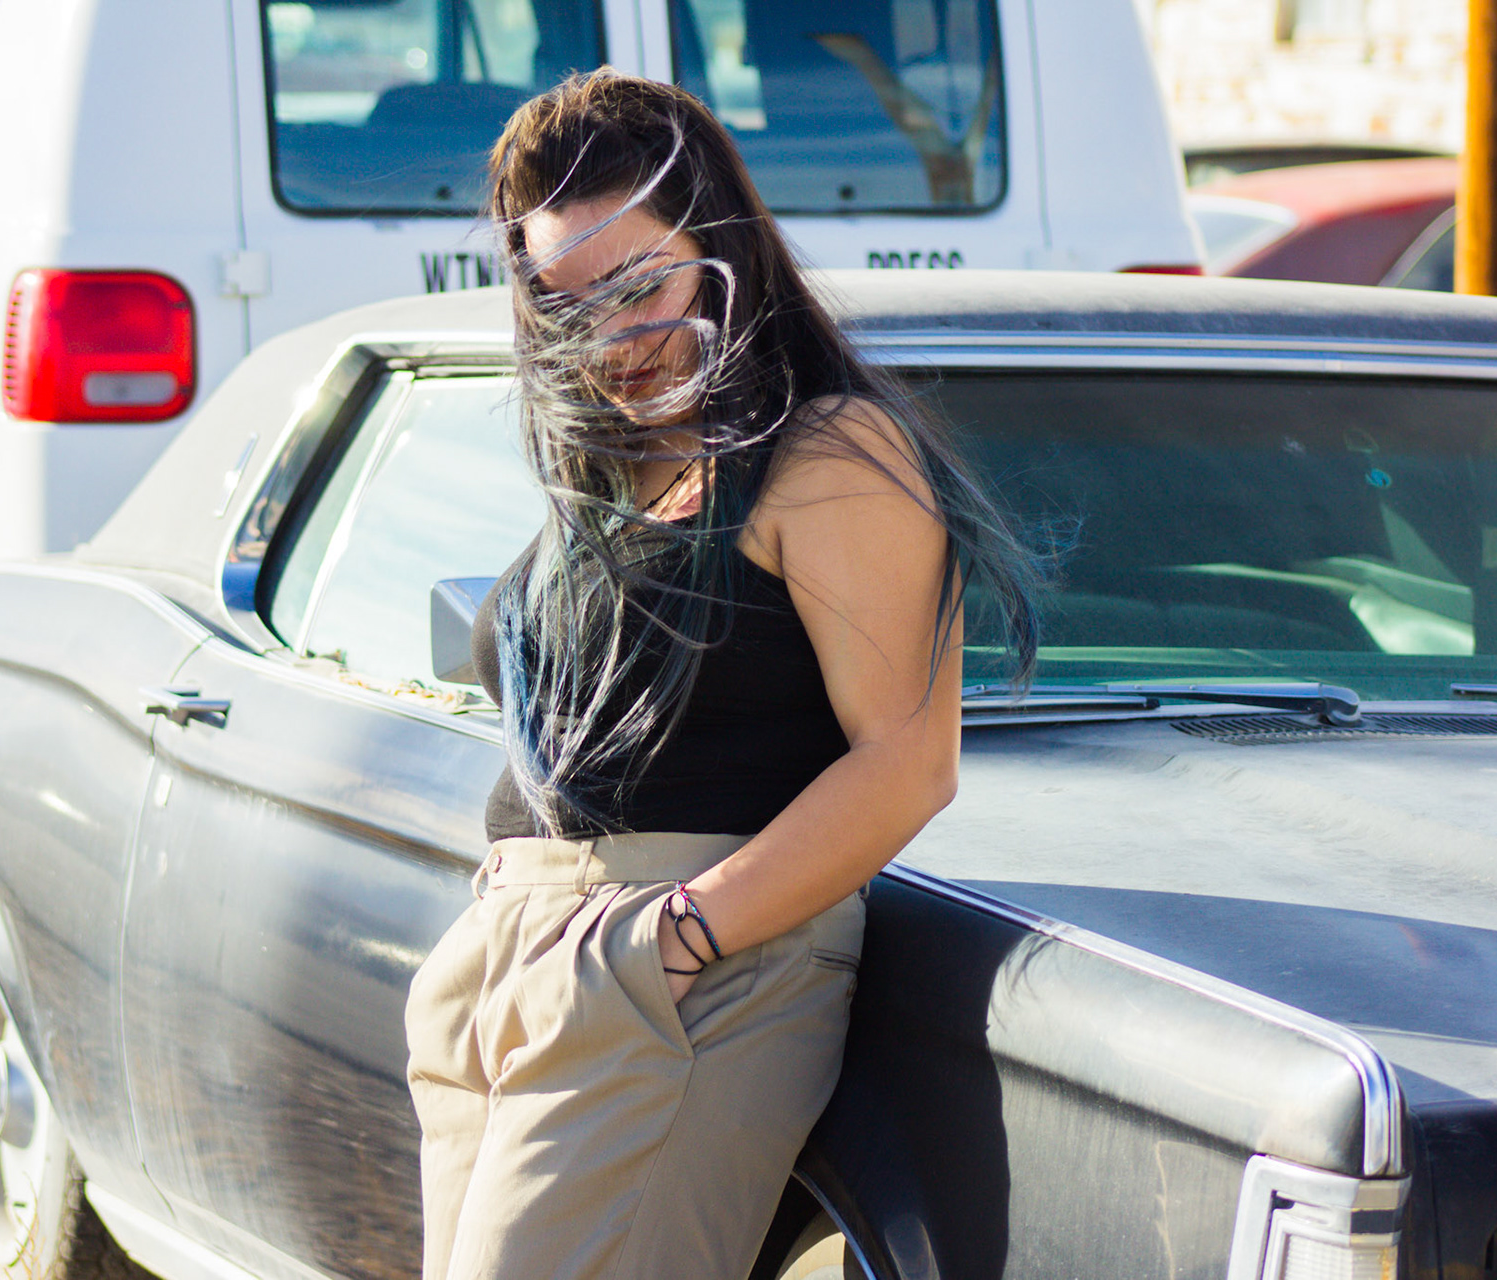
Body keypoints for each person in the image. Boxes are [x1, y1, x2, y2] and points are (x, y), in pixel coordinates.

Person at [403, 69, 1042, 1280]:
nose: (617, 338)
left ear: (721, 245)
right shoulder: (621, 465)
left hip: (677, 977)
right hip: (518, 963)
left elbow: (910, 760)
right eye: (568, 307)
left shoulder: (828, 448)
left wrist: (676, 936)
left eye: (641, 285)